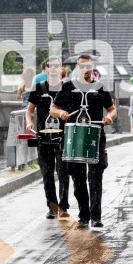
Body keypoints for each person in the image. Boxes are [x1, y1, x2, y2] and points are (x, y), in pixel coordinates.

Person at [50, 54, 117, 228]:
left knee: (95, 177)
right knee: (78, 178)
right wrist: (61, 114)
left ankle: (96, 216)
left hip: (96, 136)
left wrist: (109, 117)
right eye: (82, 66)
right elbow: (53, 109)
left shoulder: (100, 87)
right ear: (77, 68)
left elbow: (112, 109)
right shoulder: (67, 87)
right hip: (73, 137)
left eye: (89, 66)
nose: (86, 70)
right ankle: (84, 215)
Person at [25, 57, 70, 219]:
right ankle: (52, 206)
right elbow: (29, 110)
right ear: (45, 69)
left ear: (61, 70)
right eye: (50, 66)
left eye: (56, 66)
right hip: (43, 137)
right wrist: (29, 121)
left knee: (63, 172)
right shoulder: (38, 88)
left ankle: (63, 206)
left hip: (63, 136)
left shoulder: (68, 88)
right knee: (47, 173)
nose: (53, 69)